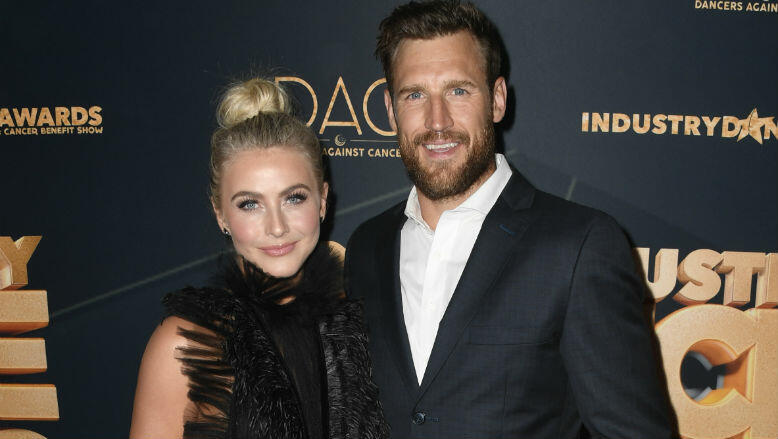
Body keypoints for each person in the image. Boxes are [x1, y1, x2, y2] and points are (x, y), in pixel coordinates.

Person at [345, 1, 675, 438]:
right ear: (390, 109)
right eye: (415, 95)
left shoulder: (579, 246)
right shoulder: (367, 246)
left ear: (497, 99)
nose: (437, 121)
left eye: (458, 91)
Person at [130, 78, 388, 439]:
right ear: (220, 214)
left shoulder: (359, 325)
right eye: (250, 204)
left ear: (323, 200)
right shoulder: (186, 345)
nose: (277, 227)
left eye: (294, 198)